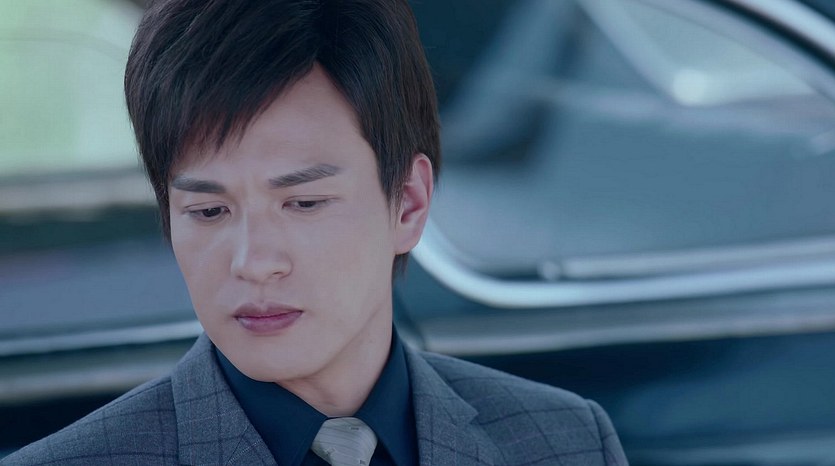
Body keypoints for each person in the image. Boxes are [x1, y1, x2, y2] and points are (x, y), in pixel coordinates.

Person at [4, 0, 628, 464]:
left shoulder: (566, 442)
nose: (253, 262)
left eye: (303, 203)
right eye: (209, 211)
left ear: (408, 204)